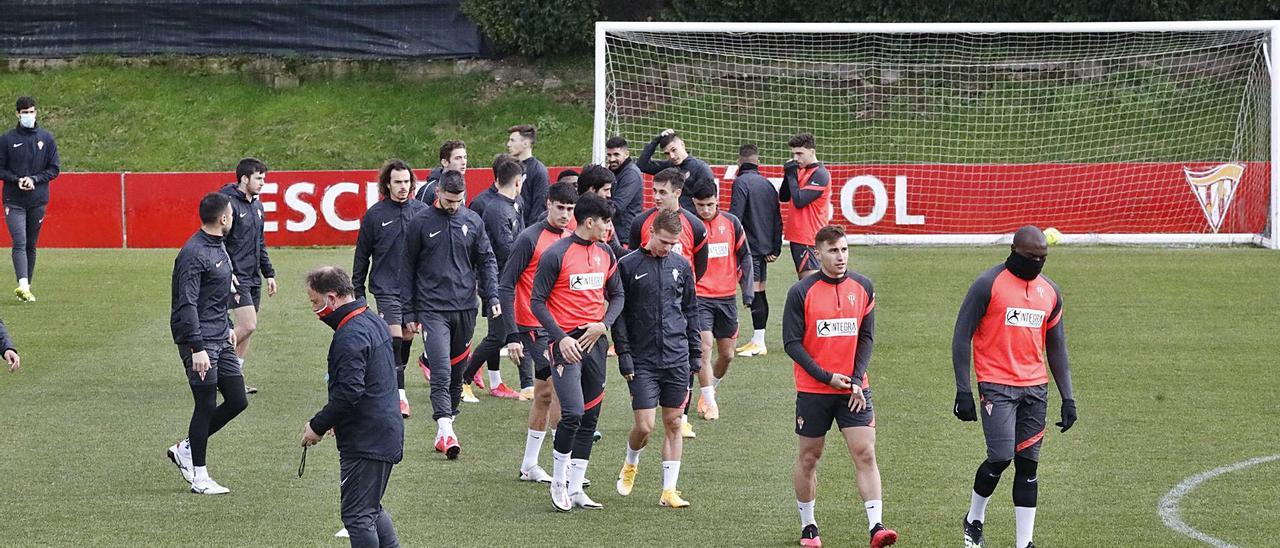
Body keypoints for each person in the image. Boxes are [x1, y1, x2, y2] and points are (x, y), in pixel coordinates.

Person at [952, 225, 1077, 548]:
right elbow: (961, 336)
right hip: (996, 386)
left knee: (1029, 465)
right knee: (1000, 457)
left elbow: (1057, 347)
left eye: (1042, 258)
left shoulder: (1050, 291)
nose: (1037, 262)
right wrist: (963, 390)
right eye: (1031, 257)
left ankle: (1025, 543)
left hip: (1036, 389)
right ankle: (974, 518)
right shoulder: (986, 285)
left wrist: (1068, 398)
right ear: (1013, 250)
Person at [784, 225, 897, 548]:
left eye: (844, 250)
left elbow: (866, 336)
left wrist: (857, 378)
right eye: (833, 251)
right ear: (817, 254)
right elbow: (792, 343)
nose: (840, 257)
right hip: (814, 390)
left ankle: (877, 526)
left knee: (865, 452)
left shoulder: (863, 287)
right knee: (809, 458)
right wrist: (826, 377)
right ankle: (809, 527)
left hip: (854, 390)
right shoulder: (801, 292)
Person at [529, 193, 624, 512]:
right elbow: (537, 302)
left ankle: (577, 488)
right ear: (589, 222)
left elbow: (618, 295)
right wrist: (560, 338)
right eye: (606, 222)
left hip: (595, 343)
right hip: (565, 345)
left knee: (591, 415)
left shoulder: (606, 252)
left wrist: (603, 324)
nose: (609, 228)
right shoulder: (556, 254)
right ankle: (558, 482)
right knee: (572, 413)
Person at [301, 266, 403, 548]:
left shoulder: (350, 334)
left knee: (358, 515)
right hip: (382, 431)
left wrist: (317, 425)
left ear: (331, 298)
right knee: (371, 508)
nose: (313, 309)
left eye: (314, 301)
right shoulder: (371, 320)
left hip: (367, 439)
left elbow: (349, 392)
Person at [401, 170, 499, 459]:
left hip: (466, 309)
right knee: (441, 370)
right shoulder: (419, 223)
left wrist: (491, 295)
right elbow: (406, 269)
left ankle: (446, 427)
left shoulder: (472, 221)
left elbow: (487, 260)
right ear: (438, 193)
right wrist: (408, 310)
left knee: (458, 374)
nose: (454, 205)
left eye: (458, 201)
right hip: (433, 310)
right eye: (448, 199)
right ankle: (446, 428)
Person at [612, 210, 700, 508]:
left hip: (677, 357)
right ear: (651, 232)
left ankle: (668, 491)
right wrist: (624, 353)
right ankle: (631, 461)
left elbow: (690, 309)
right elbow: (619, 315)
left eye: (673, 244)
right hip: (642, 359)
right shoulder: (627, 265)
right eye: (664, 242)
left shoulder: (681, 265)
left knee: (674, 422)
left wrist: (695, 353)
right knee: (645, 426)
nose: (667, 248)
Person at [165, 192, 249, 495]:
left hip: (219, 334)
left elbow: (215, 295)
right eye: (231, 214)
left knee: (238, 399)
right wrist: (197, 347)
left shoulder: (219, 247)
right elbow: (186, 304)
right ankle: (199, 478)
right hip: (198, 339)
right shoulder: (193, 253)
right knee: (205, 403)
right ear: (223, 218)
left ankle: (185, 449)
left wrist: (227, 325)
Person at [501, 182, 578, 482]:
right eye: (560, 207)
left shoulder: (573, 238)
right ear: (548, 204)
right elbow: (506, 284)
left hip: (561, 328)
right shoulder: (529, 238)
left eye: (570, 210)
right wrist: (511, 335)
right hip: (533, 327)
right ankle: (565, 465)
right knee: (558, 391)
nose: (564, 214)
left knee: (545, 394)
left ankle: (530, 465)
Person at [628, 167, 708, 438]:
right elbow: (631, 262)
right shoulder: (640, 222)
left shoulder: (695, 225)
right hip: (647, 308)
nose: (657, 196)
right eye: (654, 190)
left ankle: (682, 416)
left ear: (677, 192)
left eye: (663, 192)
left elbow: (701, 266)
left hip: (681, 302)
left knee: (686, 354)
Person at [353, 160, 429, 418]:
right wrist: (358, 291)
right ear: (387, 184)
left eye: (406, 182)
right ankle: (399, 395)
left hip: (416, 290)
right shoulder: (375, 215)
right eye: (397, 182)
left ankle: (390, 379)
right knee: (394, 337)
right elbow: (362, 255)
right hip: (386, 287)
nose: (403, 187)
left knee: (406, 338)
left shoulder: (422, 212)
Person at [461, 155, 526, 401]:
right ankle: (463, 379)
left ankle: (495, 382)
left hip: (506, 281)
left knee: (501, 333)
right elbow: (505, 250)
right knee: (498, 335)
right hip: (497, 282)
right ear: (518, 182)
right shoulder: (497, 210)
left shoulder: (513, 203)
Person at [689, 184, 753, 421]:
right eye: (700, 205)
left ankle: (709, 390)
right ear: (693, 203)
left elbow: (745, 256)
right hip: (700, 298)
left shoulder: (732, 223)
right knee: (704, 348)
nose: (705, 210)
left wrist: (747, 291)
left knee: (727, 354)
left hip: (726, 298)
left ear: (717, 200)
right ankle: (710, 401)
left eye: (710, 204)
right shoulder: (691, 226)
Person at [220, 157, 277, 394]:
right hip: (235, 277)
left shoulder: (258, 206)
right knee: (248, 325)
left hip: (253, 276)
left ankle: (235, 377)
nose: (263, 183)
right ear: (245, 179)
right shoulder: (228, 204)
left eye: (264, 178)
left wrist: (269, 273)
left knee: (249, 328)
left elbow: (260, 243)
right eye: (259, 178)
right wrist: (227, 271)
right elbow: (219, 241)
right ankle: (219, 370)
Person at [0, 96, 60, 302]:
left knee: (31, 244)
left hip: (37, 200)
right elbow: (1, 169)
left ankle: (27, 287)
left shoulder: (46, 138)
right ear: (18, 114)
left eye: (31, 111)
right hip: (13, 200)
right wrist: (17, 180)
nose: (28, 116)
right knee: (19, 240)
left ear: (36, 112)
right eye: (24, 112)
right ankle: (22, 284)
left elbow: (54, 169)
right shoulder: (7, 139)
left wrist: (34, 179)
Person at [728, 144, 781, 357]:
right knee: (759, 291)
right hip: (763, 247)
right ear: (758, 162)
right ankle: (756, 339)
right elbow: (777, 219)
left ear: (740, 162)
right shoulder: (767, 184)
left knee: (755, 292)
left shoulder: (740, 182)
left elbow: (735, 217)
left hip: (749, 249)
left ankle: (759, 341)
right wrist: (775, 246)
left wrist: (732, 245)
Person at [779, 133, 831, 280]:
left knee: (810, 285)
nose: (796, 158)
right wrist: (788, 174)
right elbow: (783, 197)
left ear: (812, 152)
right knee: (806, 284)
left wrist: (791, 175)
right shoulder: (800, 171)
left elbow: (800, 200)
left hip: (809, 238)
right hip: (798, 237)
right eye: (794, 154)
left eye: (800, 153)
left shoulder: (820, 174)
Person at [637, 129, 715, 214]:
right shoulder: (668, 166)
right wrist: (656, 141)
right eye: (667, 153)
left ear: (682, 145)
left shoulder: (701, 168)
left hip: (691, 220)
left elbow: (709, 199)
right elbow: (642, 165)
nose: (672, 156)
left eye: (674, 150)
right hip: (671, 218)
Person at [575, 165, 626, 257]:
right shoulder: (568, 216)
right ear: (592, 190)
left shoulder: (605, 215)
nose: (609, 195)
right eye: (606, 190)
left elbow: (614, 248)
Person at [604, 136, 643, 246]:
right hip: (615, 232)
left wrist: (595, 209)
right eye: (609, 155)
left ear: (626, 154)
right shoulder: (613, 171)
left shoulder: (631, 174)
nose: (612, 159)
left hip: (625, 236)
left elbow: (618, 206)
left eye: (616, 154)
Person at [507, 124, 550, 225]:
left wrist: (528, 234)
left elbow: (540, 207)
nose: (508, 144)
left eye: (512, 140)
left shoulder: (539, 171)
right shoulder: (508, 167)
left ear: (526, 143)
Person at [414, 140, 467, 205]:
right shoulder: (428, 190)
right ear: (444, 162)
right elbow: (419, 214)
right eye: (457, 158)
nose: (464, 162)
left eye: (465, 157)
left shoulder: (460, 185)